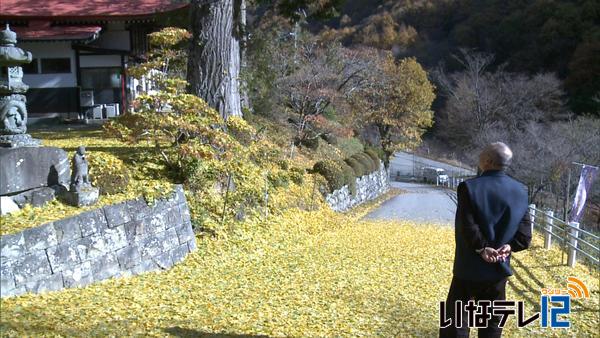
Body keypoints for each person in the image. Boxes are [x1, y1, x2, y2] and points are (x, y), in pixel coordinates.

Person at [440, 142, 532, 338]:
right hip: (499, 269)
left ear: (488, 161)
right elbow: (525, 236)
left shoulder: (469, 187)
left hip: (468, 268)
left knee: (456, 322)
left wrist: (482, 248)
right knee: (492, 325)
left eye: (481, 156)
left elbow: (467, 225)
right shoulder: (521, 190)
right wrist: (509, 247)